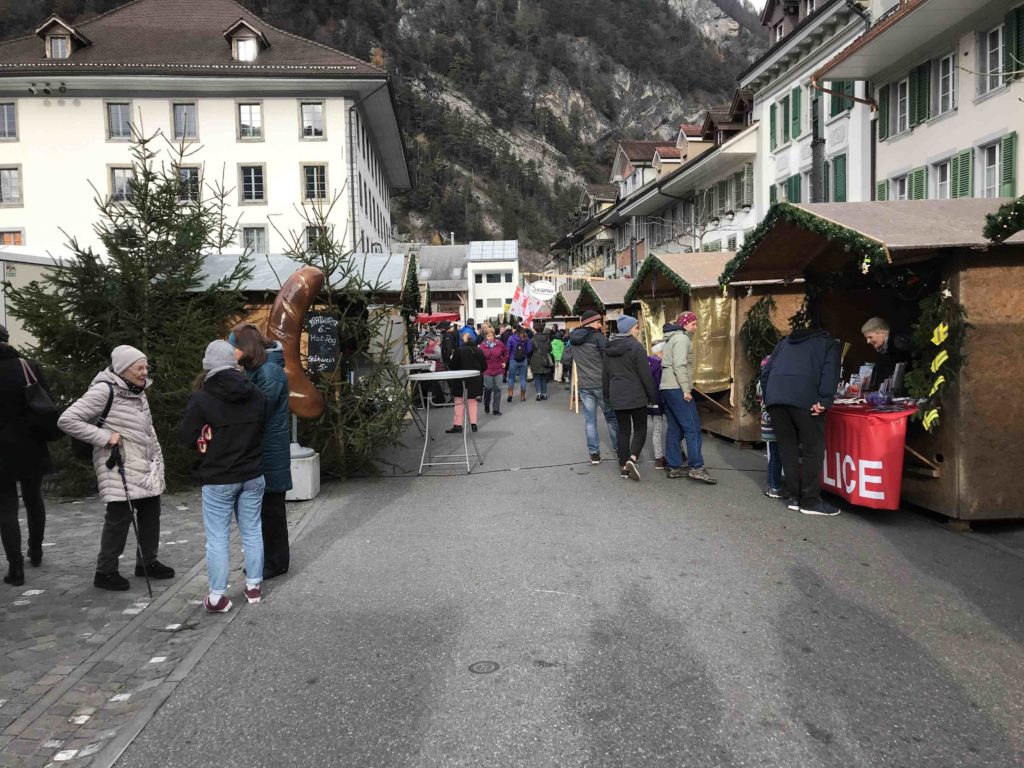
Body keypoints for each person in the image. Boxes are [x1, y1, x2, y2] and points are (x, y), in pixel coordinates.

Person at [59, 346, 173, 591]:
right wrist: (105, 437)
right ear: (123, 369)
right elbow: (67, 420)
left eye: (146, 367)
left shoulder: (138, 391)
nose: (145, 372)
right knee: (119, 518)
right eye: (139, 368)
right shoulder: (104, 390)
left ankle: (147, 562)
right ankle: (105, 571)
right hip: (118, 464)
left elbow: (148, 430)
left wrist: (157, 459)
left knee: (151, 513)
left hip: (145, 464)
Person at [180, 340, 267, 612]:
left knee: (218, 537)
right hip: (252, 473)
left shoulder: (201, 399)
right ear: (234, 363)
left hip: (218, 476)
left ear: (207, 366)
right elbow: (262, 428)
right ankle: (253, 586)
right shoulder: (256, 394)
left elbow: (186, 438)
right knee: (252, 530)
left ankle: (217, 596)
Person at [230, 323, 292, 580]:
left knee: (271, 509)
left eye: (233, 347)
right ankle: (268, 559)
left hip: (270, 449)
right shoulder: (259, 368)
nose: (231, 352)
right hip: (263, 447)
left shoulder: (268, 371)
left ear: (245, 347)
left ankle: (275, 563)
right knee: (265, 508)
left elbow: (260, 409)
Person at [761, 323, 841, 516]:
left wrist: (769, 397)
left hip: (776, 401)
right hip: (806, 400)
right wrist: (825, 400)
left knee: (787, 449)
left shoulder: (784, 343)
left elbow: (766, 373)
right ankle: (810, 501)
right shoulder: (828, 343)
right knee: (813, 450)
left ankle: (794, 497)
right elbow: (830, 373)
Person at [0, 325, 54, 586]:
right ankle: (36, 551)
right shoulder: (27, 366)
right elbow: (47, 402)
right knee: (34, 498)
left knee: (6, 507)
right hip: (31, 443)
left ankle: (16, 566)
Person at [661, 312, 716, 484]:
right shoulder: (682, 339)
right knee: (693, 428)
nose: (695, 327)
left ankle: (674, 466)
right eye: (693, 324)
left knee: (674, 429)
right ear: (684, 324)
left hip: (667, 387)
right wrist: (686, 389)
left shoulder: (671, 338)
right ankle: (696, 467)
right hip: (678, 388)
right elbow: (680, 365)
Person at [603, 316, 658, 481]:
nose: (638, 330)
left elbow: (605, 375)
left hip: (617, 395)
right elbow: (645, 375)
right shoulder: (636, 347)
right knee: (640, 429)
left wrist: (607, 396)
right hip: (636, 395)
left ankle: (623, 467)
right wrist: (652, 396)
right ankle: (632, 459)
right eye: (636, 327)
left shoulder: (608, 348)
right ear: (628, 329)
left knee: (623, 431)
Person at [564, 310, 618, 464]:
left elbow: (565, 359)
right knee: (611, 418)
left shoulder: (572, 338)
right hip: (601, 384)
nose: (600, 325)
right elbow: (609, 358)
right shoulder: (598, 337)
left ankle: (594, 454)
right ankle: (620, 449)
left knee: (590, 421)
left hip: (584, 385)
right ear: (590, 323)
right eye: (598, 322)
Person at [446, 333, 486, 433]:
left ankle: (458, 425)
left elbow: (452, 366)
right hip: (475, 379)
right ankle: (473, 424)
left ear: (462, 340)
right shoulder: (479, 350)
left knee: (459, 401)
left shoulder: (459, 351)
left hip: (460, 379)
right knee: (472, 401)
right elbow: (484, 366)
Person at [861, 317, 914, 391]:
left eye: (870, 337)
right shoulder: (883, 349)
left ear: (882, 332)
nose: (868, 341)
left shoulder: (898, 343)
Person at [758, 356, 783, 499]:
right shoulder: (767, 387)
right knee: (776, 458)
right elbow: (765, 411)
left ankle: (771, 484)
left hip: (769, 428)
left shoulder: (763, 385)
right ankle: (774, 487)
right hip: (772, 428)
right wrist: (778, 419)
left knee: (774, 457)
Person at [647, 340, 667, 470]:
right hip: (661, 399)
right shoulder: (661, 365)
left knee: (656, 429)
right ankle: (679, 453)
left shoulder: (647, 362)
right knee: (673, 427)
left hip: (650, 400)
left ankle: (659, 457)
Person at [479, 329, 508, 416]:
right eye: (488, 336)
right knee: (488, 388)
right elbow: (479, 357)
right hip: (487, 370)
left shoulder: (499, 343)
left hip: (498, 369)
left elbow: (506, 352)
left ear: (494, 336)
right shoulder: (482, 346)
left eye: (491, 335)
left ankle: (496, 409)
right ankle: (486, 403)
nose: (490, 337)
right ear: (486, 337)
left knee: (498, 389)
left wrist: (504, 361)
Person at [506, 328, 532, 403]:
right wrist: (524, 354)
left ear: (515, 331)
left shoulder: (511, 338)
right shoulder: (526, 338)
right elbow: (529, 349)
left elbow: (507, 349)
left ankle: (510, 394)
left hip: (513, 359)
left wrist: (509, 358)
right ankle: (522, 396)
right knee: (523, 378)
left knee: (511, 378)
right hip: (523, 360)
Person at [530, 324, 554, 401]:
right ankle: (544, 394)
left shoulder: (532, 339)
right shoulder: (547, 339)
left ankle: (539, 394)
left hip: (536, 360)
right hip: (545, 359)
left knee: (537, 377)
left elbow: (530, 350)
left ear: (535, 330)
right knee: (544, 377)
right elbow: (550, 349)